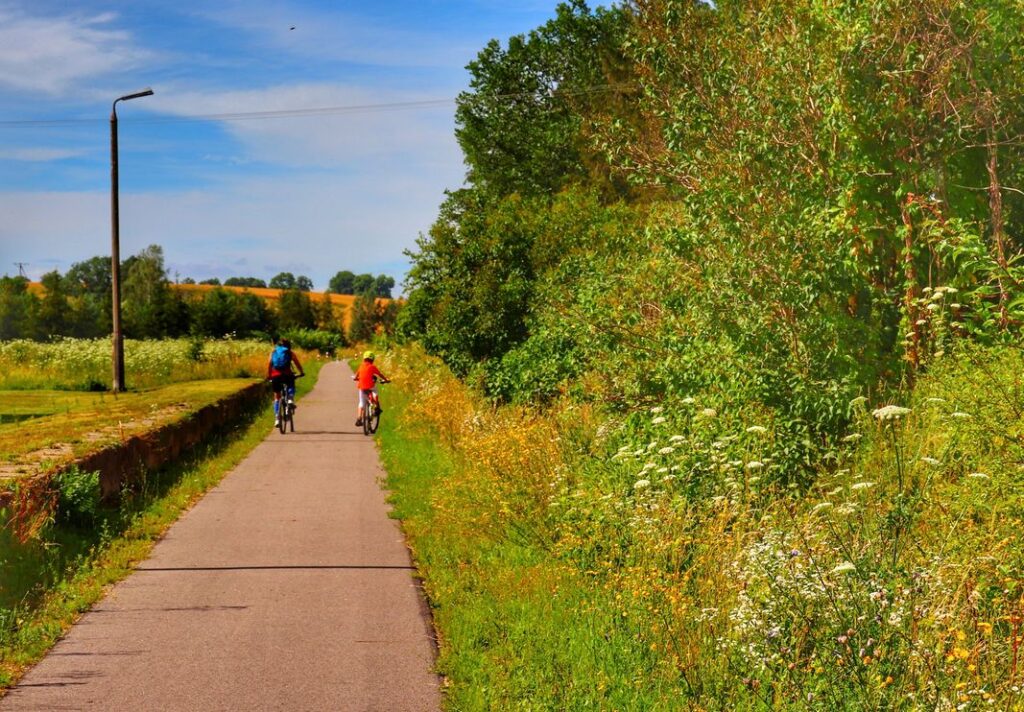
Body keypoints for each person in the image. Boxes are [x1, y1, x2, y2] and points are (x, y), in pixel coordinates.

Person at [267, 337, 304, 427]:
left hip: (275, 376)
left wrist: (269, 375)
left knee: (277, 396)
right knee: (291, 384)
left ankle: (277, 419)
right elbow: (297, 363)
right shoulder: (289, 352)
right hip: (287, 374)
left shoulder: (273, 352)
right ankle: (290, 399)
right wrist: (301, 372)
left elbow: (269, 364)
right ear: (288, 345)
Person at [353, 350, 389, 426]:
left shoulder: (361, 366)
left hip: (362, 387)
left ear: (364, 359)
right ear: (372, 360)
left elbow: (356, 376)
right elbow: (380, 374)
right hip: (370, 386)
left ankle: (359, 418)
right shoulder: (372, 367)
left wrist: (356, 378)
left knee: (361, 403)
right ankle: (376, 407)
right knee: (375, 392)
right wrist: (386, 380)